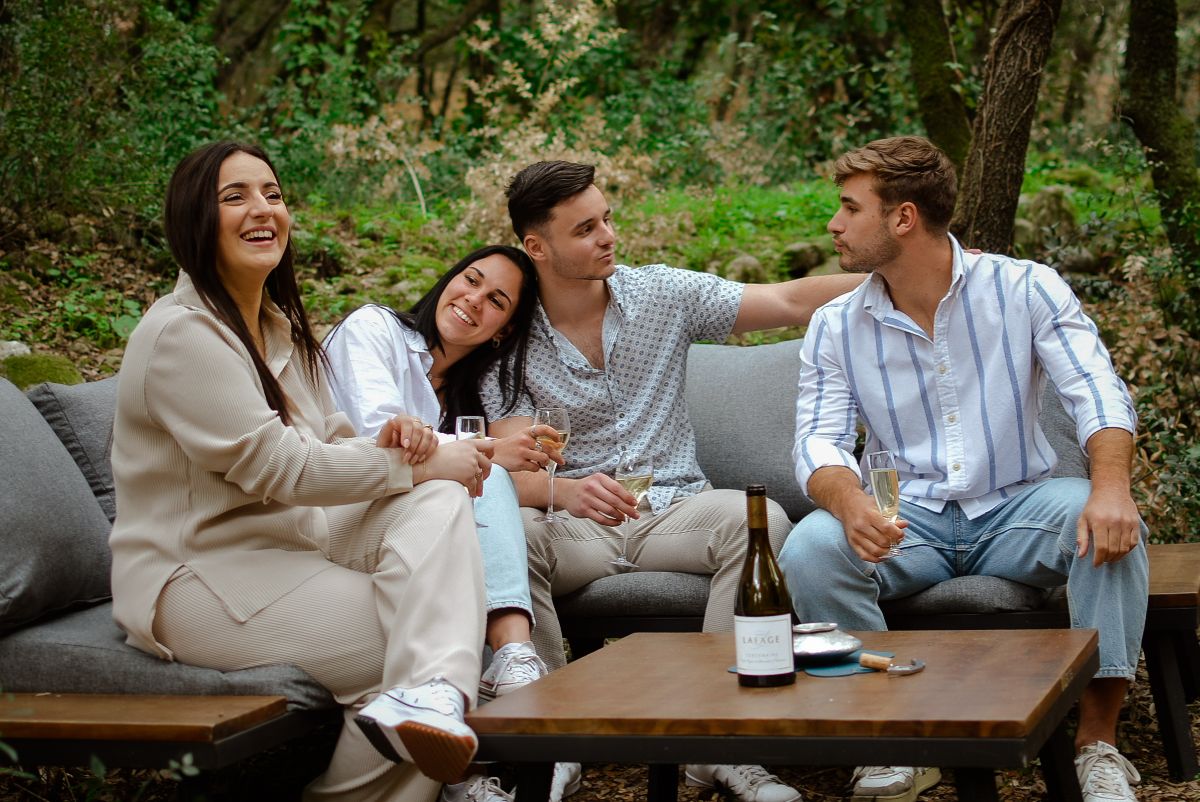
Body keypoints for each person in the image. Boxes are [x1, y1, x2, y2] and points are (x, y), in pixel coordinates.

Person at [109, 141, 496, 802]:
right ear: (195, 219)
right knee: (415, 646)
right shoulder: (182, 334)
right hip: (199, 575)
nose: (263, 209)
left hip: (293, 543)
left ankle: (432, 694)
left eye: (273, 194)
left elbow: (333, 440)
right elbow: (281, 467)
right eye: (235, 196)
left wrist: (405, 450)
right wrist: (419, 463)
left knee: (437, 504)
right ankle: (427, 695)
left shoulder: (279, 326)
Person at [778, 135, 1148, 802]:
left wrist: (1113, 488)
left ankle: (1097, 746)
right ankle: (888, 743)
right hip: (902, 518)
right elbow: (817, 442)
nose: (834, 224)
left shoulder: (1025, 287)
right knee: (809, 548)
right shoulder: (835, 325)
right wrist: (849, 502)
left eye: (850, 208)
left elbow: (1096, 390)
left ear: (903, 217)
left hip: (1018, 509)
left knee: (1107, 522)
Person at [483, 160, 865, 802]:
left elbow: (789, 300)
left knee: (760, 522)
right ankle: (552, 744)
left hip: (676, 511)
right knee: (507, 539)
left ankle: (716, 745)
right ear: (536, 246)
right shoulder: (507, 336)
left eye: (607, 219)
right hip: (574, 522)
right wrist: (563, 490)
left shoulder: (662, 293)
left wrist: (909, 270)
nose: (607, 236)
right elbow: (506, 475)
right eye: (585, 229)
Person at [323, 246, 582, 802]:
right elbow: (378, 435)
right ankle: (513, 657)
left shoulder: (464, 396)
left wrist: (493, 454)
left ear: (502, 332)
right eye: (470, 279)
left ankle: (468, 767)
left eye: (496, 301)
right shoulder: (374, 329)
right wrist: (486, 452)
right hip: (331, 508)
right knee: (474, 477)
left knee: (472, 499)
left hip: (405, 529)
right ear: (449, 280)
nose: (473, 300)